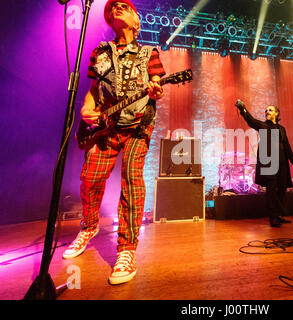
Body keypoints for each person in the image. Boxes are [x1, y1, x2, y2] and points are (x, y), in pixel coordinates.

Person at [62, 0, 165, 285]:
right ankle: (90, 226)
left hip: (138, 126)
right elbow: (94, 90)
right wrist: (86, 109)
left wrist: (155, 92)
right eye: (112, 6)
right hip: (105, 128)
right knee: (89, 179)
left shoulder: (149, 54)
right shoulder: (100, 52)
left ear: (135, 19)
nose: (116, 7)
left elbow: (157, 88)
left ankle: (126, 250)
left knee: (132, 181)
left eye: (124, 5)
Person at [235, 100, 293, 227]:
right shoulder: (263, 126)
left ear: (276, 113)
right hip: (269, 163)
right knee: (271, 190)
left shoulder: (282, 129)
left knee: (282, 188)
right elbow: (251, 120)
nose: (267, 112)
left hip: (282, 163)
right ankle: (273, 217)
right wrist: (243, 109)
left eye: (270, 110)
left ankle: (279, 214)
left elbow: (287, 146)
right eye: (266, 110)